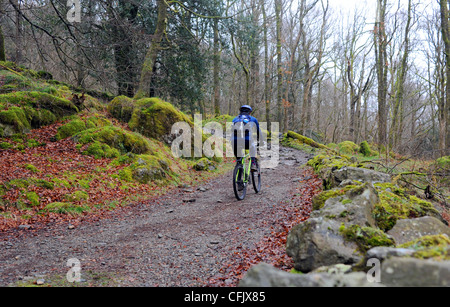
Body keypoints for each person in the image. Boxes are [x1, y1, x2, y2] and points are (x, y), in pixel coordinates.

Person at [231, 105, 261, 172]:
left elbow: (231, 131)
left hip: (235, 142)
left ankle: (238, 172)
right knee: (252, 147)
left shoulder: (235, 119)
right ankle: (253, 163)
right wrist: (260, 141)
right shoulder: (253, 119)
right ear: (250, 112)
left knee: (239, 159)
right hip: (247, 141)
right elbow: (258, 131)